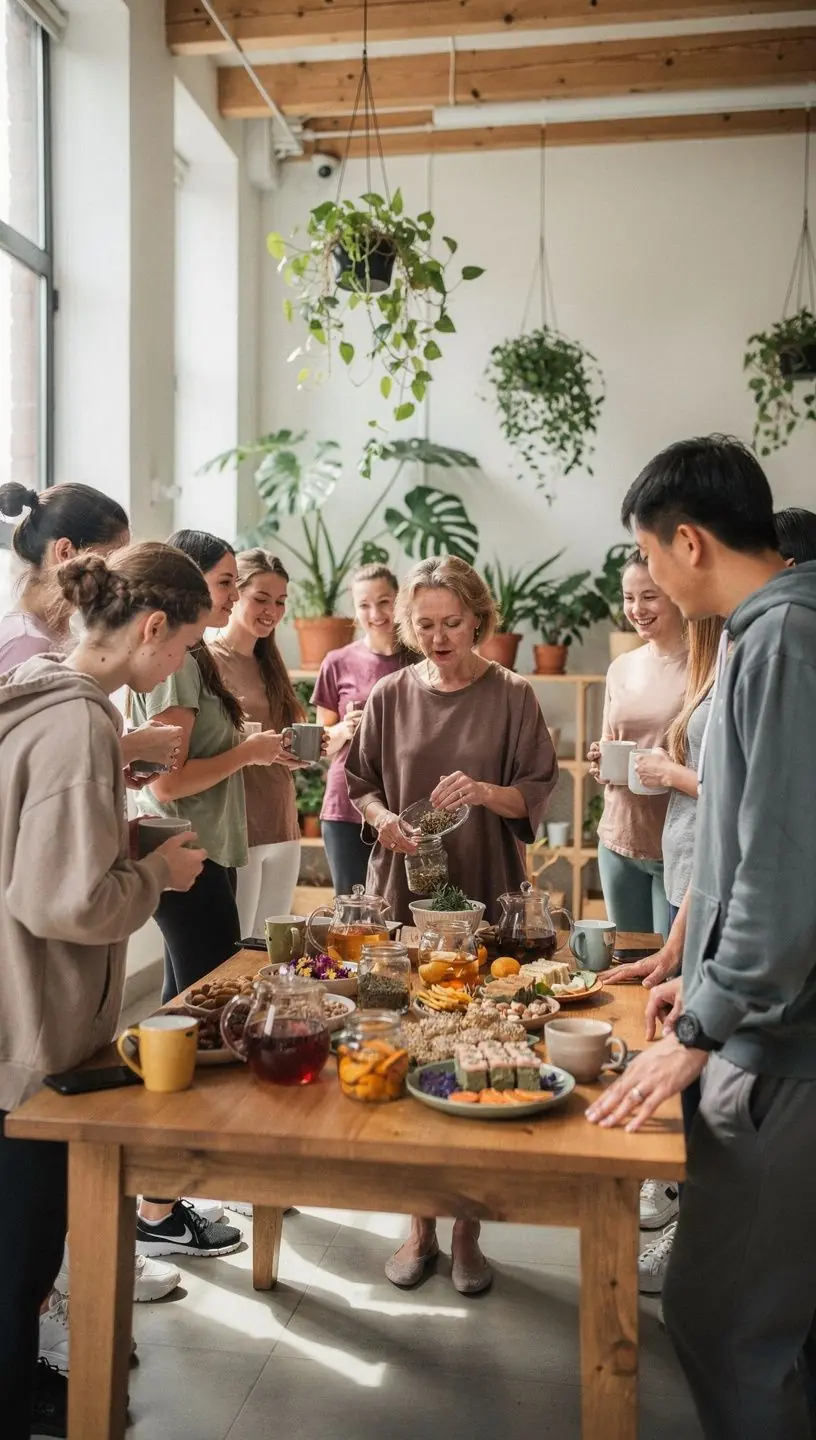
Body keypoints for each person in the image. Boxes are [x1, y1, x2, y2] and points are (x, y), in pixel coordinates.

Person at [587, 435, 816, 1440]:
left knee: (725, 1326)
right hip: (760, 1015)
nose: (649, 581)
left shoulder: (783, 638)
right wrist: (702, 964)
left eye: (648, 555)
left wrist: (703, 1024)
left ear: (688, 542)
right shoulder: (773, 630)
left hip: (782, 1044)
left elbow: (783, 870)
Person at [0, 543, 209, 1440]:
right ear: (153, 627)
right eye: (185, 647)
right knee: (19, 1271)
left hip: (15, 1012)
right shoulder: (80, 720)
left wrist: (123, 839)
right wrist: (158, 873)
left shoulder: (33, 691)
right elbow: (65, 901)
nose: (181, 666)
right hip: (32, 1034)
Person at [346, 556, 557, 1294]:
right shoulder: (388, 695)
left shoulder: (513, 695)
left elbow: (535, 790)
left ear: (479, 621)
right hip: (402, 891)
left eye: (453, 623)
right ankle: (418, 1225)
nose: (439, 638)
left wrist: (486, 790)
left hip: (486, 888)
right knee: (407, 1043)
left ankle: (467, 1229)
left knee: (475, 1044)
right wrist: (383, 820)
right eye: (426, 624)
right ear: (409, 626)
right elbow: (360, 783)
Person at [609, 617, 722, 1283]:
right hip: (693, 881)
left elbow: (739, 806)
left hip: (726, 907)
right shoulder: (721, 652)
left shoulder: (765, 648)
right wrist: (676, 947)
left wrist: (672, 773)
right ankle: (679, 1196)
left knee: (707, 1076)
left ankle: (693, 1231)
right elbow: (718, 841)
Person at [130, 531, 286, 1002]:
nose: (235, 595)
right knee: (213, 998)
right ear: (188, 579)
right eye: (225, 582)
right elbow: (167, 783)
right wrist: (247, 753)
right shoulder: (178, 662)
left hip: (205, 848)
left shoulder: (194, 656)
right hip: (187, 850)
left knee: (185, 997)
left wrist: (249, 748)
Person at [0, 483, 182, 775]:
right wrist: (131, 748)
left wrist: (118, 766)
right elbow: (27, 768)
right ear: (65, 551)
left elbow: (65, 744)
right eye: (110, 560)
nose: (118, 578)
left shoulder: (63, 635)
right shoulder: (26, 642)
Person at [588, 553, 687, 940]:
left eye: (649, 596)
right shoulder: (621, 667)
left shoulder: (705, 666)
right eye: (629, 598)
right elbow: (610, 740)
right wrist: (600, 760)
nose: (636, 609)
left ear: (675, 593)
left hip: (672, 846)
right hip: (618, 838)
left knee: (666, 964)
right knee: (625, 958)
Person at [211, 550, 305, 937]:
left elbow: (271, 740)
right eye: (261, 599)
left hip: (282, 820)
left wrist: (297, 751)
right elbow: (208, 743)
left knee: (273, 949)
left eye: (280, 602)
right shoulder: (208, 661)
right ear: (235, 594)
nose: (272, 611)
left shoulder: (270, 662)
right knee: (237, 950)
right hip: (239, 827)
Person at [313, 563, 405, 895]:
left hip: (404, 802)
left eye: (384, 602)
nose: (375, 613)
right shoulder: (336, 662)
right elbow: (320, 744)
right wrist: (343, 728)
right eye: (364, 605)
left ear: (399, 601)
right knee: (352, 909)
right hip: (346, 805)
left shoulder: (422, 661)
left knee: (402, 905)